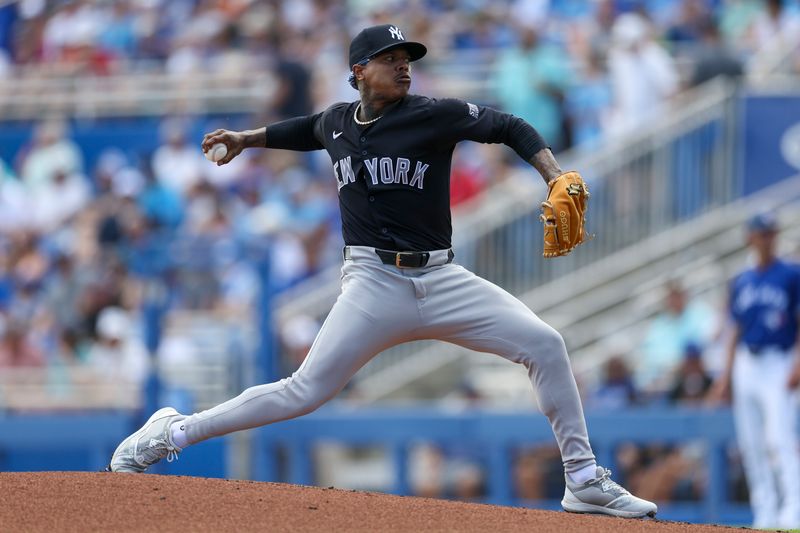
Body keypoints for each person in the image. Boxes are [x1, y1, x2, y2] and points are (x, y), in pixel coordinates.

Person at [106, 24, 657, 519]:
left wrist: (553, 175)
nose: (403, 64)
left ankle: (583, 479)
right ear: (358, 71)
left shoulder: (432, 114)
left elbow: (509, 125)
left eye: (407, 56)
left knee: (545, 344)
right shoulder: (338, 122)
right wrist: (246, 139)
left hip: (443, 280)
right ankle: (171, 432)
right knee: (303, 391)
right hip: (373, 284)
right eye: (390, 56)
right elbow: (304, 129)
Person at [709, 212, 800, 529]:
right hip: (747, 362)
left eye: (772, 233)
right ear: (751, 237)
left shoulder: (791, 273)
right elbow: (734, 329)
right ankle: (765, 511)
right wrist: (725, 375)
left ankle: (793, 511)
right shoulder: (742, 279)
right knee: (750, 443)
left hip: (779, 359)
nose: (768, 239)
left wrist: (798, 363)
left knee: (779, 438)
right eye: (763, 233)